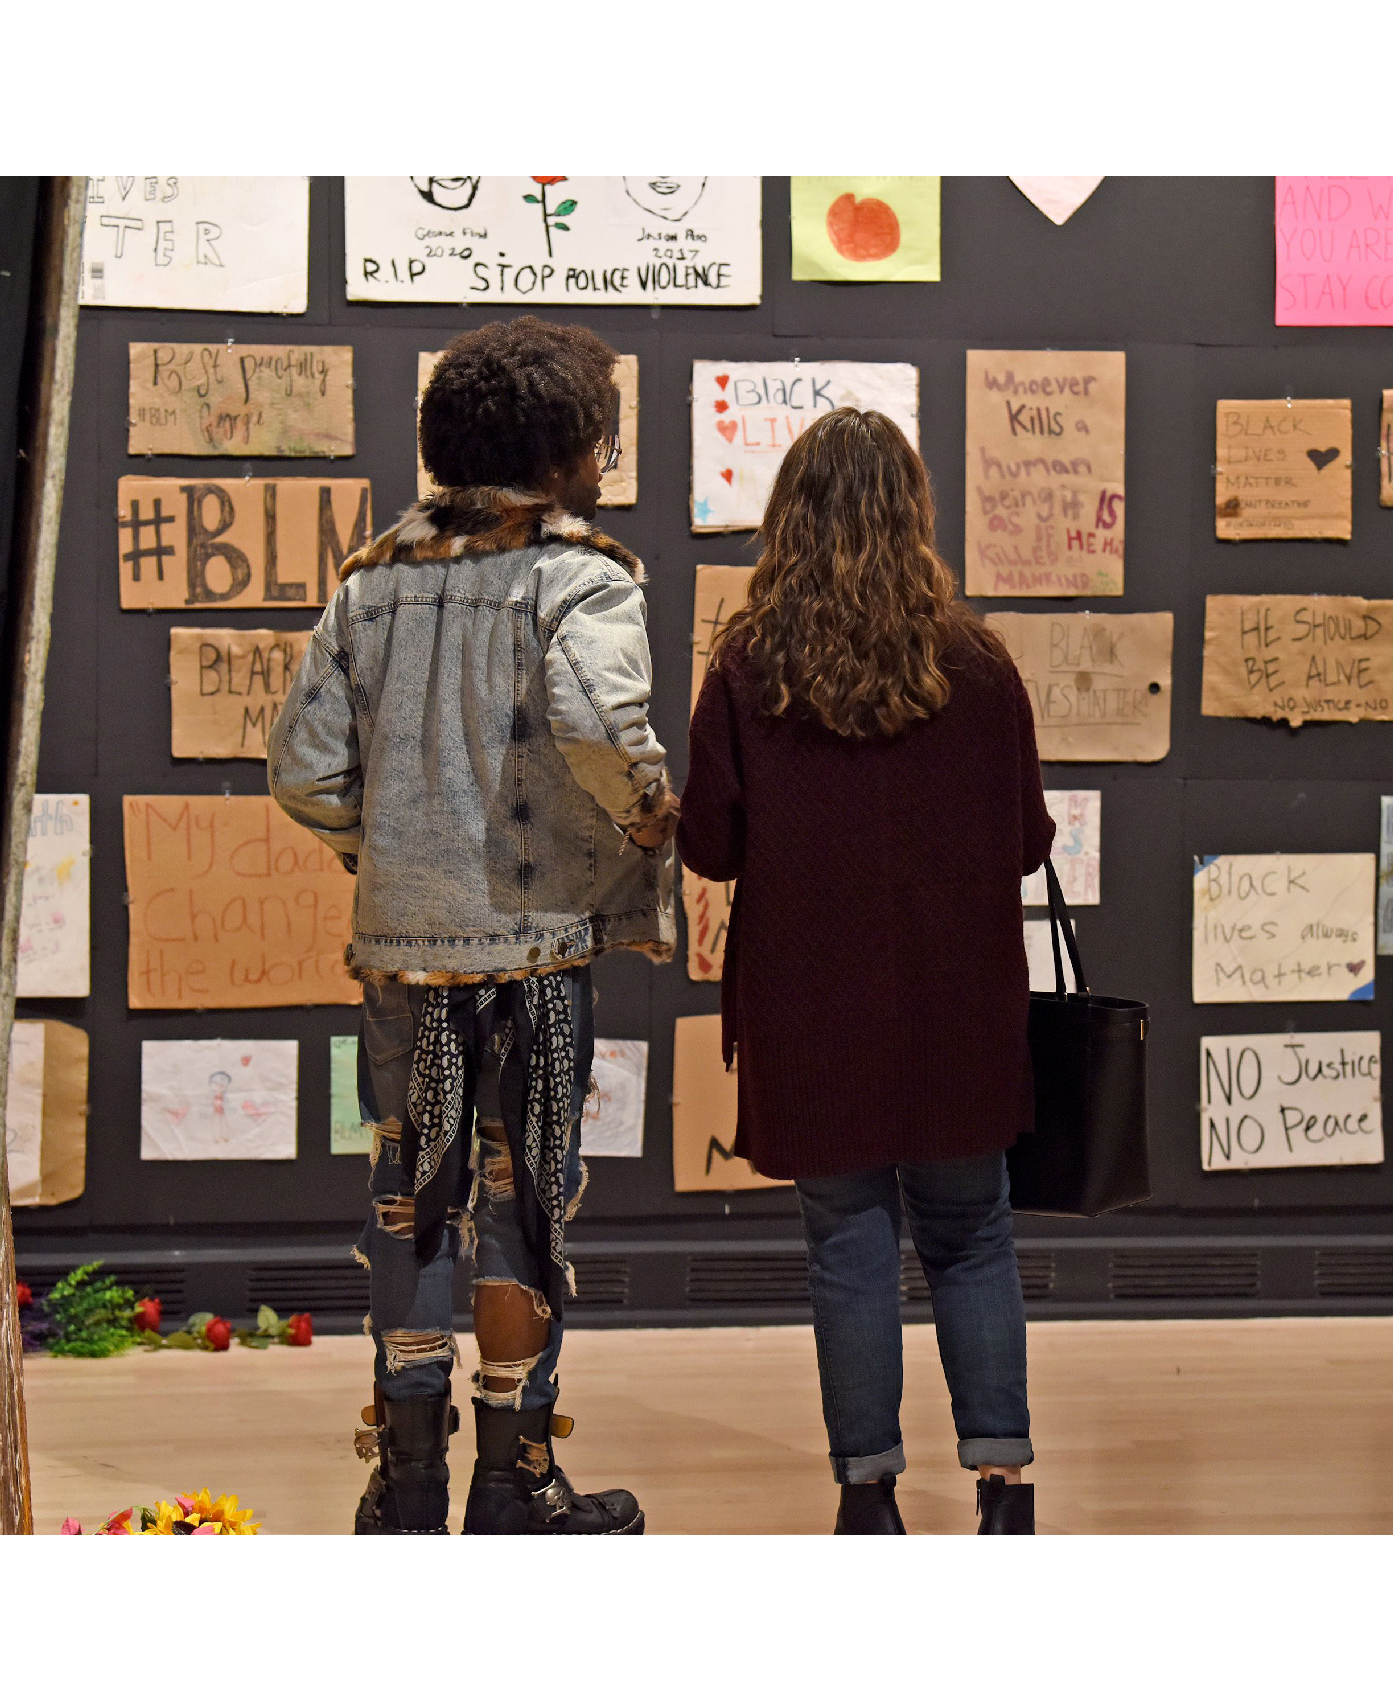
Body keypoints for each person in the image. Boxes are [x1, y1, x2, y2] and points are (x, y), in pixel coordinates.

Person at [269, 316, 676, 1536]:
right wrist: (650, 820)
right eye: (597, 435)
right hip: (537, 949)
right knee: (526, 1199)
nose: (605, 458)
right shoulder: (581, 575)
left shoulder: (367, 581)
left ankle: (405, 1481)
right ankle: (515, 1479)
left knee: (406, 1197)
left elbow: (303, 770)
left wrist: (382, 853)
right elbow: (606, 732)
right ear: (563, 445)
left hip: (401, 947)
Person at [676, 407, 1051, 1535]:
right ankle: (1003, 1486)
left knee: (847, 1244)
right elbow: (1026, 839)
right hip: (959, 1002)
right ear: (914, 516)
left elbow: (710, 846)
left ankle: (868, 1494)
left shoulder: (749, 667)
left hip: (811, 1006)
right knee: (971, 1234)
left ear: (787, 521)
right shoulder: (978, 663)